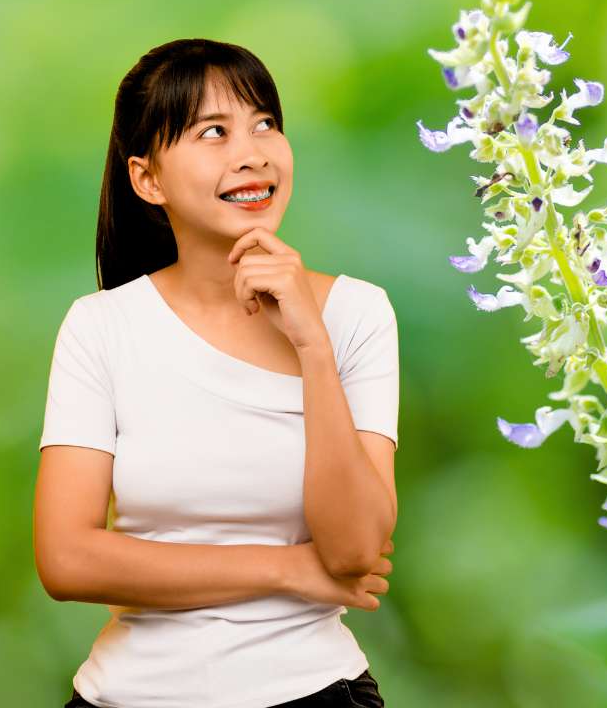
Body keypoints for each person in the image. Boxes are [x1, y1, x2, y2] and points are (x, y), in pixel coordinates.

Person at [33, 39, 398, 707]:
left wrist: (312, 345)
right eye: (213, 132)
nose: (253, 152)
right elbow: (66, 558)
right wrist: (287, 570)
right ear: (148, 180)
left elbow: (354, 553)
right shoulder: (101, 327)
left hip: (312, 692)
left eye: (265, 124)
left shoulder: (356, 315)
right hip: (124, 695)